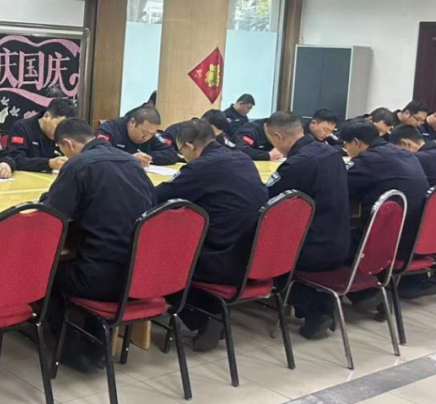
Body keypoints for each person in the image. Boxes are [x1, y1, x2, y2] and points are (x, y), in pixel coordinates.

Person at [41, 118, 156, 372]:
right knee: (93, 255)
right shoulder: (132, 163)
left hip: (100, 280)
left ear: (69, 144)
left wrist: (47, 198)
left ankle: (71, 350)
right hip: (140, 276)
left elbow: (52, 215)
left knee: (44, 274)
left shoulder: (77, 166)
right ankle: (96, 343)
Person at [156, 119, 268, 351]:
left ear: (190, 146)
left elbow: (160, 197)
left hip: (218, 256)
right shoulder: (242, 158)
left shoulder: (200, 168)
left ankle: (203, 316)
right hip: (251, 253)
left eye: (181, 151)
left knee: (159, 262)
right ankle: (213, 312)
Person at [263, 112, 351, 338]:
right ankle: (324, 305)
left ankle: (314, 310)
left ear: (278, 136)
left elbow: (267, 201)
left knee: (260, 255)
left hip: (312, 248)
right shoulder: (332, 154)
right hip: (341, 242)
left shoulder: (298, 164)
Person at [342, 121, 429, 300]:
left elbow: (339, 185)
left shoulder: (368, 160)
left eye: (346, 145)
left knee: (331, 242)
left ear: (356, 142)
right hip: (417, 238)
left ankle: (363, 294)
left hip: (387, 242)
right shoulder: (406, 154)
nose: (346, 150)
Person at [6, 97, 77, 172]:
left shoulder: (64, 136)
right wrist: (49, 163)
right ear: (46, 116)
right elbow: (16, 159)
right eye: (59, 126)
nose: (61, 132)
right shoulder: (21, 127)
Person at [97, 105, 179, 166]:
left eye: (152, 134)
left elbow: (171, 153)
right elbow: (100, 150)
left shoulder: (150, 135)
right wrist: (129, 157)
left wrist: (147, 157)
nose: (146, 137)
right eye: (144, 132)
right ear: (132, 122)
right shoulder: (110, 129)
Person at [201, 109, 270, 162]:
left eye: (216, 134)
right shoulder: (195, 133)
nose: (212, 138)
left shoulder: (222, 138)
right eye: (211, 133)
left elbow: (237, 150)